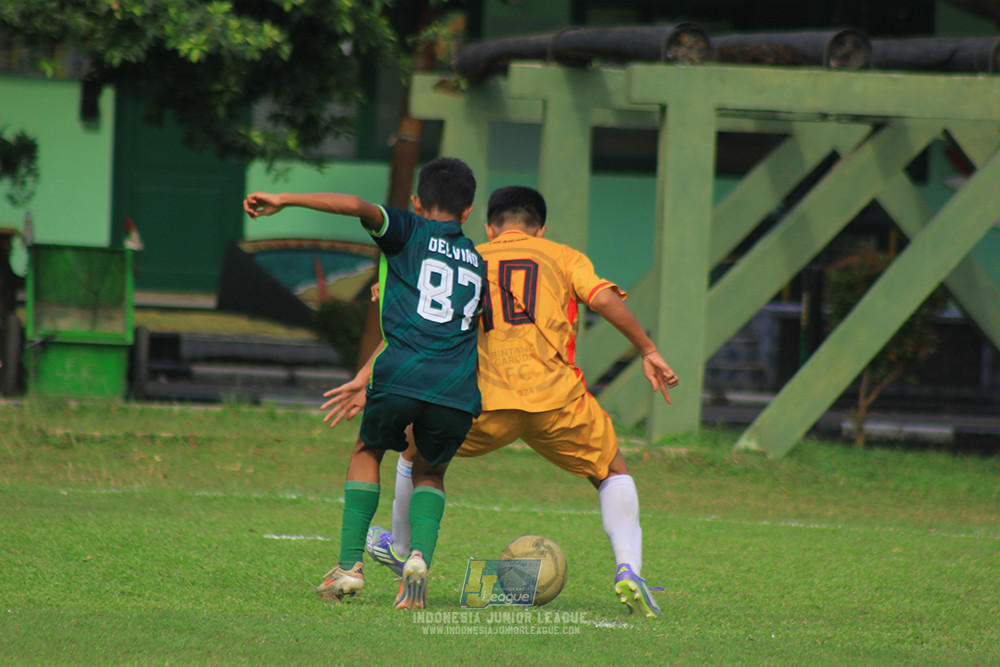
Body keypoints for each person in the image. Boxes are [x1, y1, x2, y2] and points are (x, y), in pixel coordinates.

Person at [323, 185, 678, 618]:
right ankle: (629, 569)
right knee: (612, 473)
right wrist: (647, 350)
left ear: (489, 226)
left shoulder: (470, 257)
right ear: (540, 228)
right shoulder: (563, 256)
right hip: (555, 399)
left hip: (481, 400)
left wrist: (364, 376)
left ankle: (400, 549)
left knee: (414, 449)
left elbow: (424, 329)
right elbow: (603, 298)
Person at [243, 157, 485, 610]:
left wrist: (285, 199)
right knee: (430, 471)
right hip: (456, 387)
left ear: (416, 201)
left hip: (401, 374)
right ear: (468, 212)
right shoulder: (477, 260)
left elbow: (357, 205)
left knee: (367, 450)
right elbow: (457, 326)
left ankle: (349, 568)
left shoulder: (408, 229)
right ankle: (417, 563)